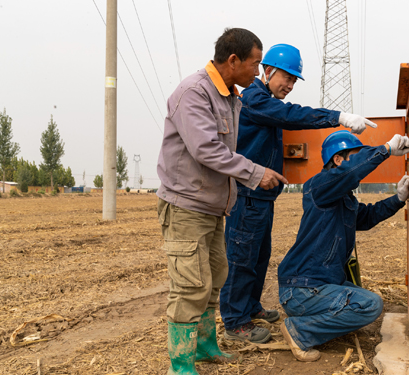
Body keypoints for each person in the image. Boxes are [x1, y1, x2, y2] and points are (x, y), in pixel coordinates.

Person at [219, 44, 378, 344]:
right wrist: (338, 117)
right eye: (287, 78)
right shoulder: (254, 98)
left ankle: (250, 307)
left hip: (262, 198)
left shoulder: (264, 100)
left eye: (294, 80)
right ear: (268, 71)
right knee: (242, 258)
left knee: (258, 256)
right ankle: (235, 321)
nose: (290, 86)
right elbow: (293, 115)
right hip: (247, 196)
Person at [156, 28, 288, 375]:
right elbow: (207, 150)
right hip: (186, 206)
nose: (258, 73)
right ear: (234, 61)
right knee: (190, 285)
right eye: (256, 64)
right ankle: (180, 366)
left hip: (213, 207)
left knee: (215, 277)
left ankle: (203, 346)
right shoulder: (194, 93)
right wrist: (256, 173)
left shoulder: (230, 97)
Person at [277, 130, 409, 361]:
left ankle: (307, 322)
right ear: (338, 160)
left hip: (316, 285)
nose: (359, 162)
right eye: (355, 155)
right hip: (303, 288)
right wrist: (386, 149)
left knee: (361, 298)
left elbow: (367, 217)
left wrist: (398, 199)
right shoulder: (319, 186)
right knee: (370, 305)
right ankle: (300, 331)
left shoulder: (342, 198)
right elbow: (353, 171)